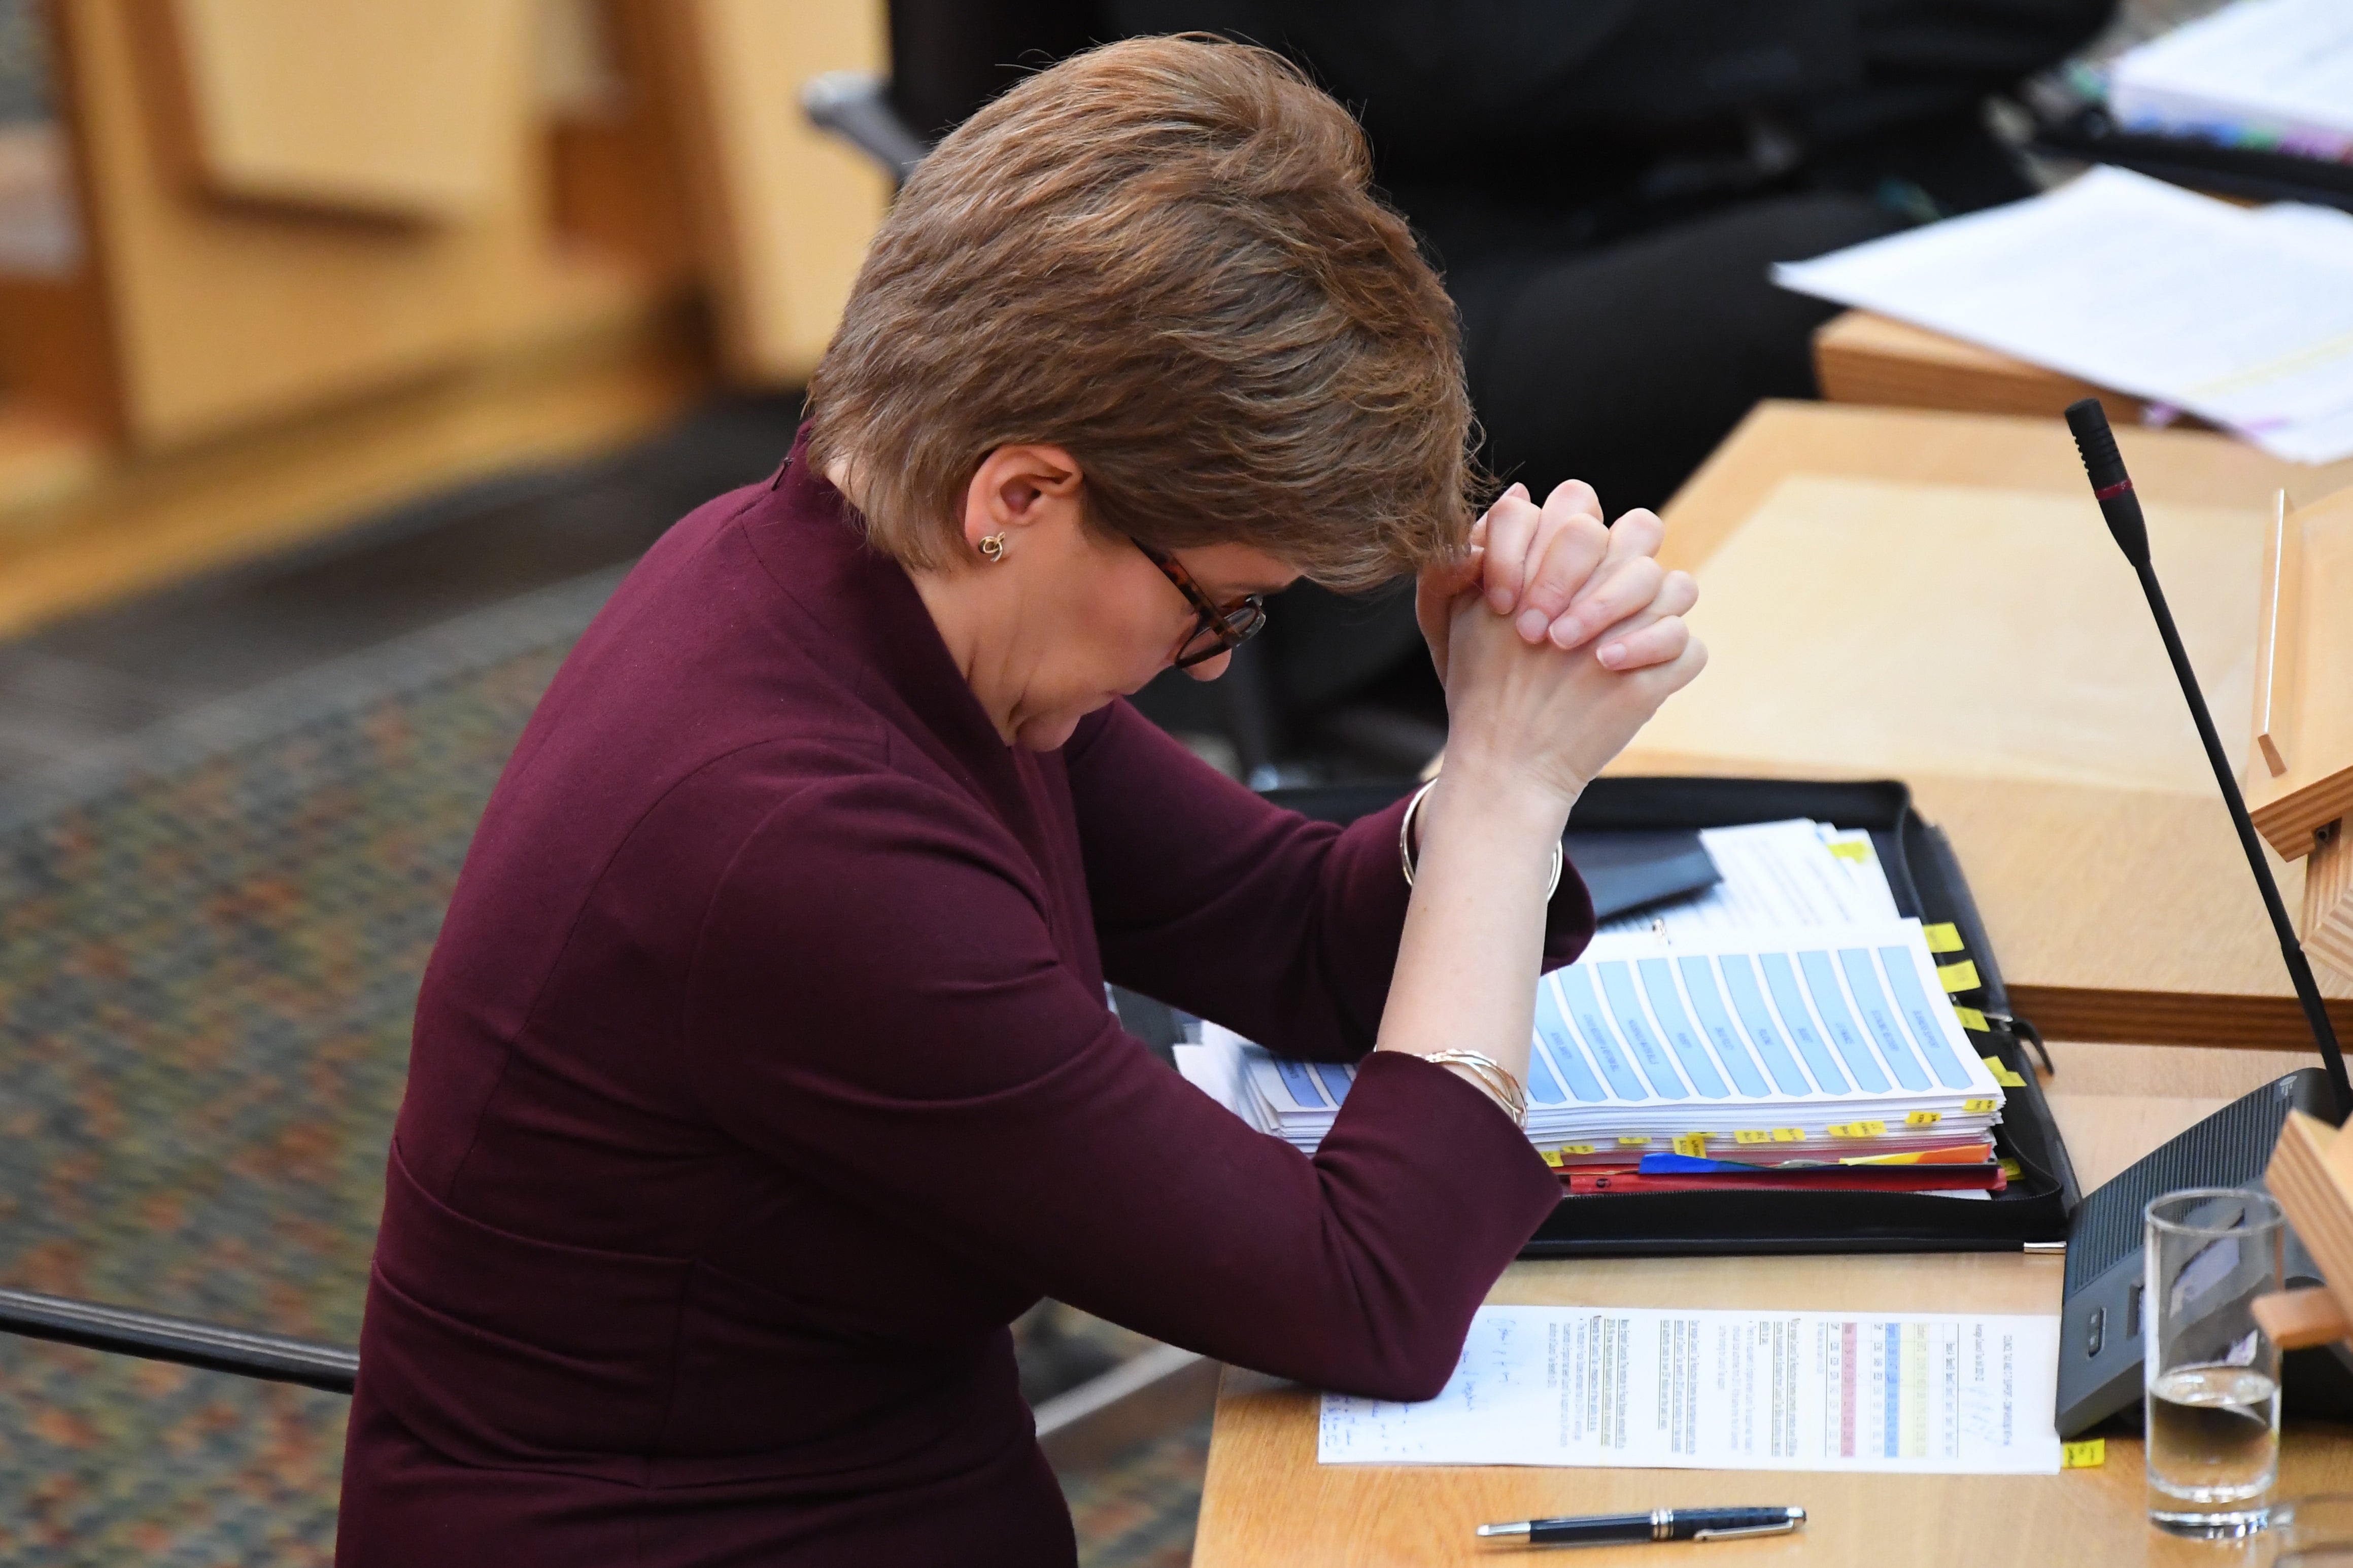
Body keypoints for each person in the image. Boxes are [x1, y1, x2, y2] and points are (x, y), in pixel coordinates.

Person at [335, 38, 1702, 1567]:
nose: (1204, 669)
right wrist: (1510, 791)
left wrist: (1482, 760)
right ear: (1023, 499)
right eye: (1219, 605)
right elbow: (1366, 1296)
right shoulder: (799, 845)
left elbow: (1291, 941)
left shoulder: (873, 585)